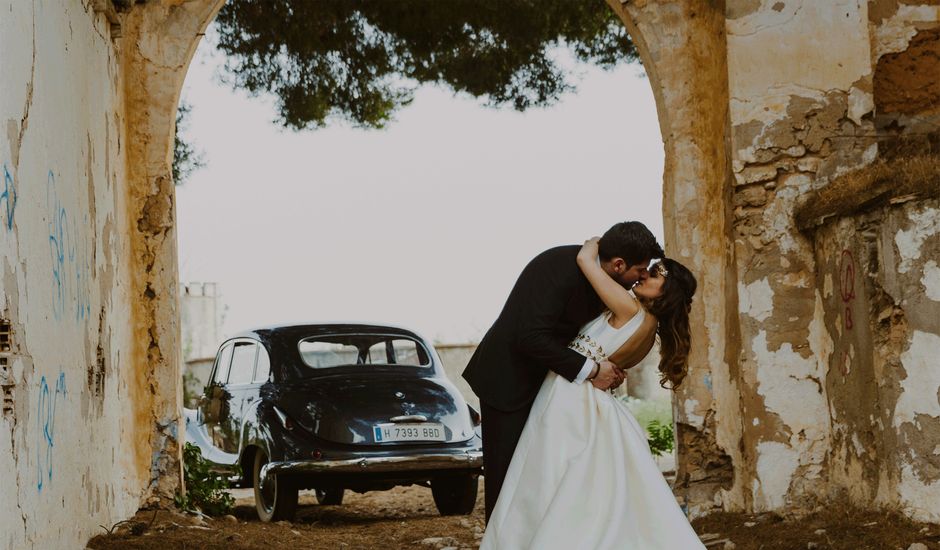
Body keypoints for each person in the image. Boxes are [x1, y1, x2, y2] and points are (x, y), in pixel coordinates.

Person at [480, 238, 703, 550]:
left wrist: (595, 243)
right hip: (585, 395)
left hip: (569, 396)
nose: (643, 277)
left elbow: (587, 263)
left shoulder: (629, 308)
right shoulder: (650, 329)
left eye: (654, 275)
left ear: (667, 291)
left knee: (547, 473)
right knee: (567, 478)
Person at [462, 221, 664, 522]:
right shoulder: (558, 268)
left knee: (539, 479)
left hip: (552, 386)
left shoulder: (602, 281)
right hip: (509, 384)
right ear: (619, 264)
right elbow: (530, 336)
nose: (643, 276)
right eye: (641, 269)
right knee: (507, 480)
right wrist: (594, 369)